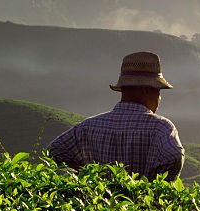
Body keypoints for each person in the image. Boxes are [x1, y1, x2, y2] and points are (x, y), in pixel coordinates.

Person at [47, 51, 185, 181]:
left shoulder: (88, 127)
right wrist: (155, 186)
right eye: (158, 92)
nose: (159, 98)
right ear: (146, 89)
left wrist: (85, 178)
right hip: (143, 205)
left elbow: (55, 150)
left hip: (97, 204)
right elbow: (174, 156)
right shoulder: (161, 128)